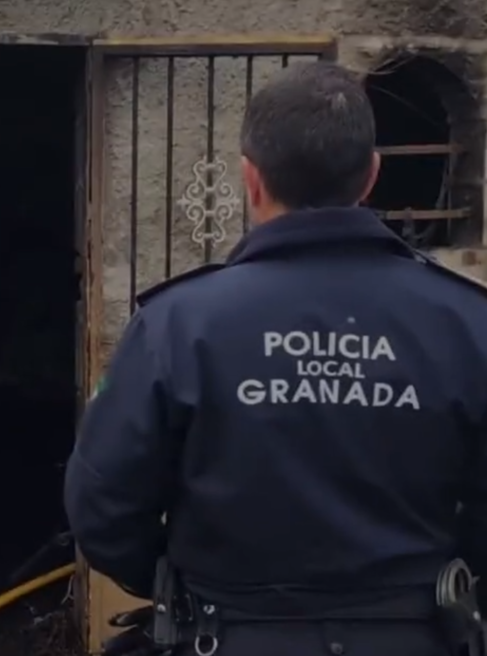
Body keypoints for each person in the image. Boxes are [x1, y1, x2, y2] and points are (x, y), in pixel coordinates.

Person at [65, 60, 487, 656]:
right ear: (371, 176)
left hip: (224, 632)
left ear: (250, 179)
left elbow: (102, 505)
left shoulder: (178, 324)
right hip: (415, 634)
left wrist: (180, 579)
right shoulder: (467, 323)